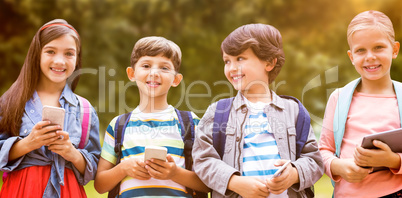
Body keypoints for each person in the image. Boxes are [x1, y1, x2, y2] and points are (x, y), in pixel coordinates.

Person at [192, 23, 324, 198]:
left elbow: (314, 160)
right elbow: (202, 159)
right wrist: (234, 182)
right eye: (227, 61)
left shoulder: (294, 110)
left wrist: (294, 173)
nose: (231, 68)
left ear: (269, 62)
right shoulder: (218, 112)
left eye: (240, 58)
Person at [94, 36, 210, 198]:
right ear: (132, 73)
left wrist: (174, 173)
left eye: (164, 68)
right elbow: (100, 185)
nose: (154, 73)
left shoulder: (191, 123)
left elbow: (208, 184)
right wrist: (123, 168)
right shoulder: (118, 125)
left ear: (176, 79)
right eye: (146, 65)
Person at [0, 19, 101, 197]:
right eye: (50, 51)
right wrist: (27, 143)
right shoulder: (10, 101)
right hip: (22, 190)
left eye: (69, 53)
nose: (59, 60)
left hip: (69, 191)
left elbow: (96, 165)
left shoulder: (85, 110)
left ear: (77, 59)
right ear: (37, 54)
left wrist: (72, 153)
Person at [319, 10, 402, 197]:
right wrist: (340, 166)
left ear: (394, 50)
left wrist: (394, 160)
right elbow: (323, 151)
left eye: (379, 47)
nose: (370, 56)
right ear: (351, 57)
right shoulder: (338, 98)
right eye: (360, 50)